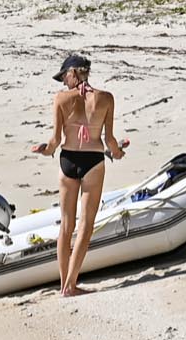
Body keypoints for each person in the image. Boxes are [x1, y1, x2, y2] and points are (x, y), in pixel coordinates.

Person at [30, 51, 125, 297]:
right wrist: (118, 152)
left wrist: (44, 151)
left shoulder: (61, 99)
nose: (63, 82)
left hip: (68, 160)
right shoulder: (106, 98)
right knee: (85, 225)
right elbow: (110, 140)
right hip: (93, 160)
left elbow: (55, 141)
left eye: (64, 76)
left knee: (66, 225)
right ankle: (70, 285)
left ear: (73, 73)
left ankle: (65, 284)